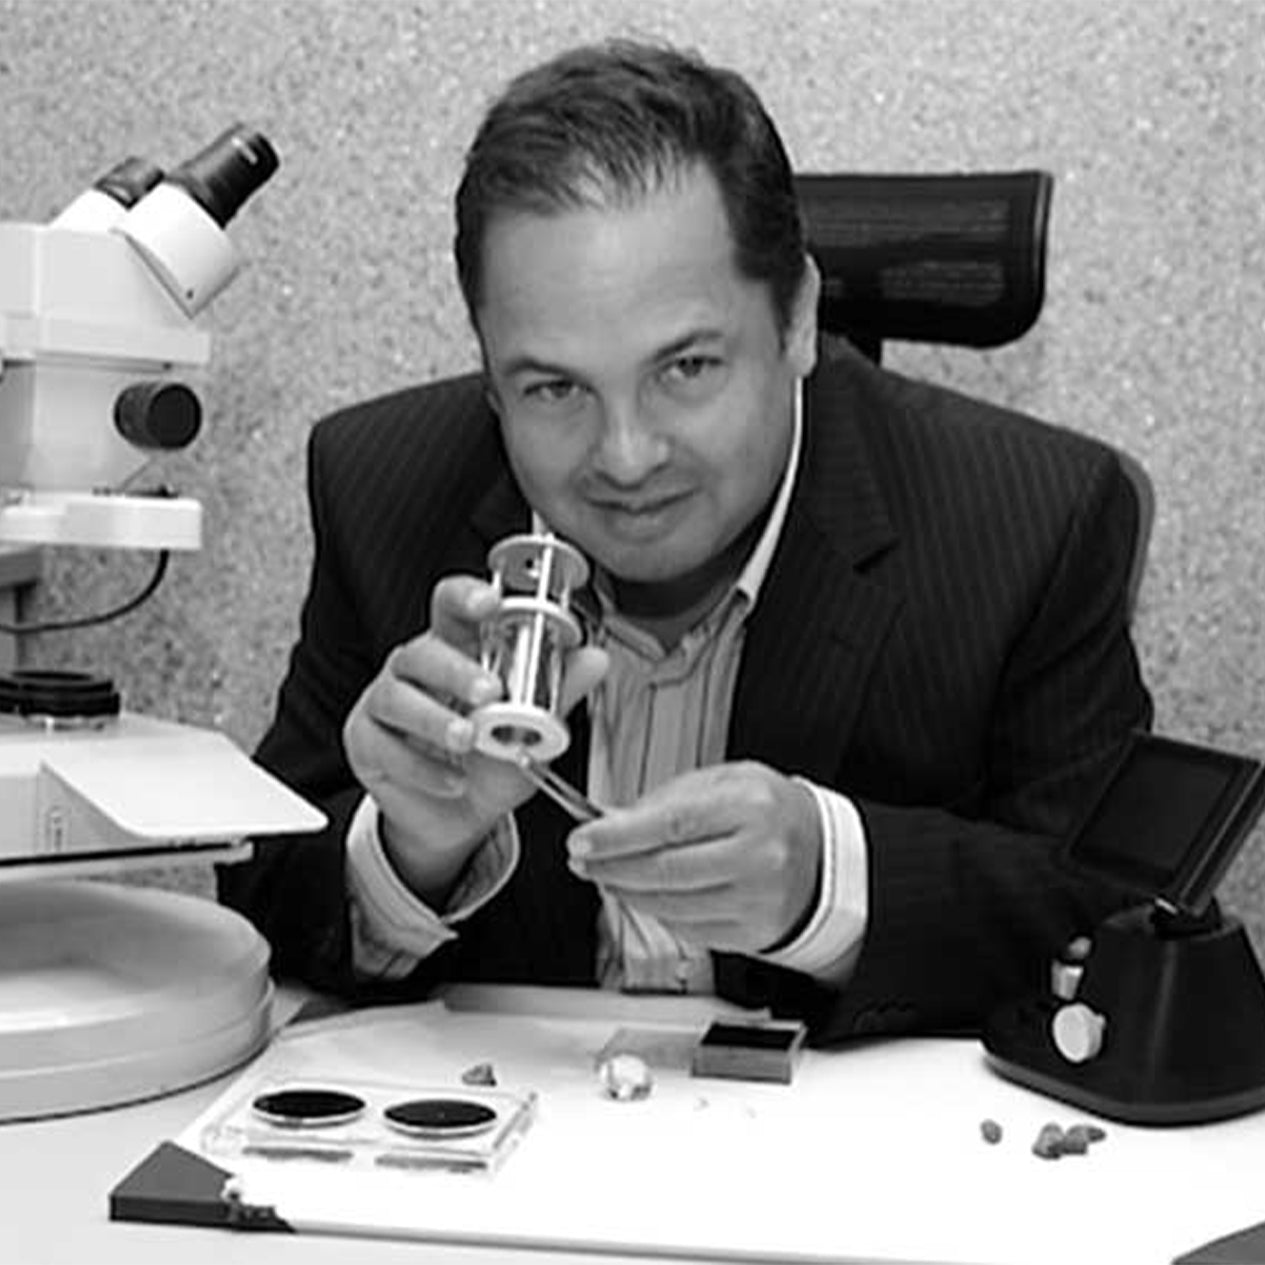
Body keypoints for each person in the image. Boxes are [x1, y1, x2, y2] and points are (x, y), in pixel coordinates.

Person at [218, 38, 1153, 1043]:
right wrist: (409, 847)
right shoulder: (379, 487)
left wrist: (827, 880)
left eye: (686, 367)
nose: (623, 457)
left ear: (797, 317)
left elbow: (1113, 920)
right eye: (552, 387)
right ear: (488, 372)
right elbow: (264, 895)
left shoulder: (1030, 515)